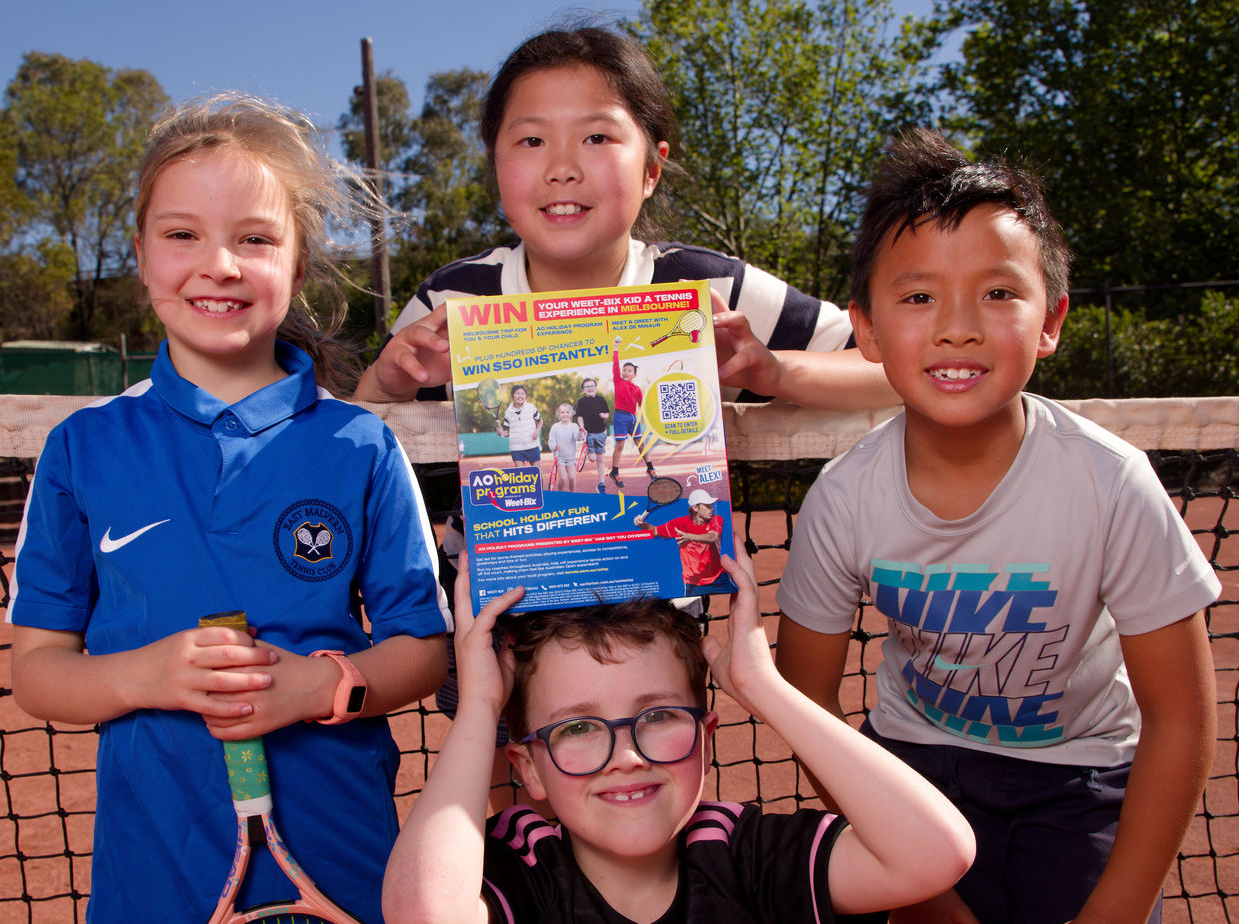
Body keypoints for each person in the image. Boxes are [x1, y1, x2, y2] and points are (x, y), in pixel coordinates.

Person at [6, 94, 450, 924]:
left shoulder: (361, 444)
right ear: (141, 257)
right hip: (153, 875)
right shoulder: (81, 449)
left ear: (298, 266)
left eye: (255, 238)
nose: (220, 264)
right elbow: (36, 673)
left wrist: (323, 686)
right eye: (182, 235)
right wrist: (145, 674)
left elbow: (421, 650)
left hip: (345, 860)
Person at [774, 130, 1221, 924]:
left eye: (998, 292)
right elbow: (806, 703)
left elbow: (1181, 717)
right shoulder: (842, 501)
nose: (956, 327)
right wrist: (921, 888)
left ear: (1051, 322)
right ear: (867, 330)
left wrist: (1118, 911)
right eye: (917, 297)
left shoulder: (1111, 481)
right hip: (915, 774)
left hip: (1085, 778)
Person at [381, 544, 975, 923]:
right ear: (527, 765)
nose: (629, 755)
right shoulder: (525, 871)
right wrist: (480, 706)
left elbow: (934, 853)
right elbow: (422, 913)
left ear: (707, 737)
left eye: (660, 716)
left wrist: (762, 685)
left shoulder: (743, 857)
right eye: (581, 726)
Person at [353, 26, 897, 412]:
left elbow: (898, 369)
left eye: (596, 137)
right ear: (496, 164)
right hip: (490, 576)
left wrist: (772, 370)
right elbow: (360, 429)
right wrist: (387, 382)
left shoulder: (710, 292)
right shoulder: (451, 301)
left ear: (652, 169)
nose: (561, 169)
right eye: (532, 140)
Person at [634, 488, 730, 597]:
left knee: (740, 596)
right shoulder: (679, 524)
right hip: (694, 583)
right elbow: (655, 531)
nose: (711, 509)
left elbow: (713, 537)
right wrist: (643, 524)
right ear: (695, 507)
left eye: (711, 505)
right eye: (707, 506)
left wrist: (689, 536)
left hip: (718, 577)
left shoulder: (716, 519)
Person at [608, 335, 655, 487]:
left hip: (633, 418)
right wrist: (615, 348)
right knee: (620, 446)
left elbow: (642, 406)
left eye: (629, 370)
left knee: (640, 444)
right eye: (624, 370)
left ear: (635, 374)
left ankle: (650, 468)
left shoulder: (637, 389)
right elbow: (615, 364)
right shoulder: (618, 381)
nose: (625, 372)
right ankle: (615, 472)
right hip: (620, 417)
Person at [575, 376, 610, 493]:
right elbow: (579, 416)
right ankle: (590, 452)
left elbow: (607, 413)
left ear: (596, 387)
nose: (590, 388)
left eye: (592, 386)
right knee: (592, 458)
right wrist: (582, 426)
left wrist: (604, 416)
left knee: (600, 459)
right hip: (589, 434)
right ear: (583, 390)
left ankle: (601, 484)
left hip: (601, 433)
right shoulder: (581, 401)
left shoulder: (601, 399)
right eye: (587, 387)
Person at [498, 383, 543, 465]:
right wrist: (502, 433)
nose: (520, 396)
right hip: (516, 448)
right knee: (520, 475)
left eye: (522, 394)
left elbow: (540, 421)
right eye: (517, 393)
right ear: (513, 396)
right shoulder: (508, 412)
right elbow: (508, 432)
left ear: (525, 396)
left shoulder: (531, 407)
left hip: (532, 445)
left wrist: (537, 431)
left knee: (537, 475)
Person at [547, 401, 583, 491]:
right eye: (562, 412)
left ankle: (572, 496)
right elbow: (551, 442)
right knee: (563, 479)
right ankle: (561, 496)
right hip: (559, 458)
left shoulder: (574, 426)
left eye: (567, 412)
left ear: (571, 414)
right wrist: (554, 446)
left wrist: (580, 431)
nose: (565, 414)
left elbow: (578, 438)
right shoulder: (555, 427)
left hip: (571, 458)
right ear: (559, 414)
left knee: (572, 478)